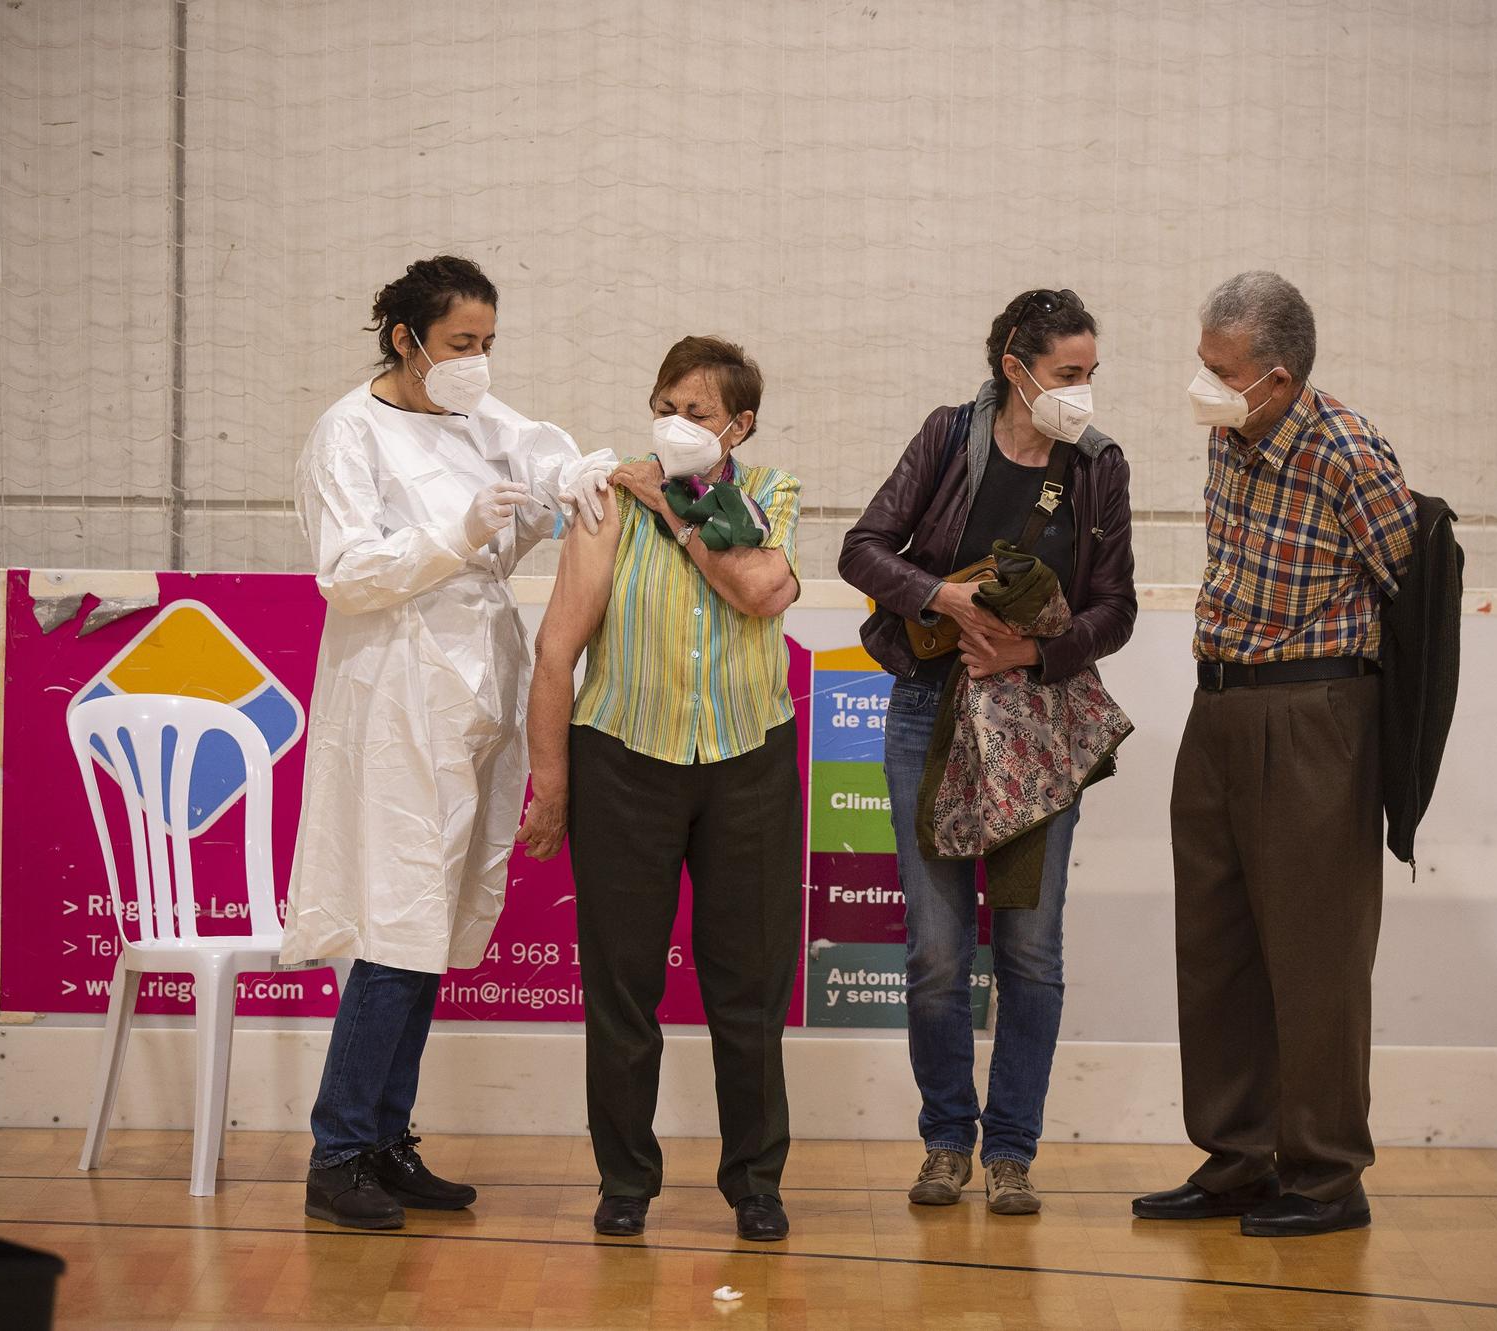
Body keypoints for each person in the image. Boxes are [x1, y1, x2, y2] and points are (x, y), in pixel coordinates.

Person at [280, 255, 614, 1231]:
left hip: (474, 691)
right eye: (461, 343)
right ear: (405, 337)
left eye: (487, 344)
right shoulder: (347, 431)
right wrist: (461, 531)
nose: (476, 362)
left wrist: (570, 489)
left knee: (427, 930)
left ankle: (385, 1137)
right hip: (394, 698)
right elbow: (346, 572)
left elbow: (546, 457)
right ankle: (336, 1149)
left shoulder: (472, 416)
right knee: (394, 924)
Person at [1131, 270, 1417, 1238]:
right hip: (1218, 706)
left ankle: (1325, 1172)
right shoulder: (1230, 436)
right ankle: (1235, 1157)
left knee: (1314, 957)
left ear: (1278, 376)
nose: (1202, 385)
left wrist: (1379, 747)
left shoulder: (1345, 451)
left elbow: (1411, 591)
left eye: (1220, 370)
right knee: (1214, 949)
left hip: (1311, 715)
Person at [838, 289, 1137, 1216]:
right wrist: (943, 598)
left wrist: (1033, 651)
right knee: (935, 952)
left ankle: (1011, 1150)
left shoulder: (1100, 465)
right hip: (929, 709)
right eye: (1067, 375)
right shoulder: (947, 435)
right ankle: (944, 1142)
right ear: (1017, 367)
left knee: (1031, 951)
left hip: (1040, 721)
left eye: (1091, 374)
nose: (1082, 392)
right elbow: (862, 549)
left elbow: (1116, 606)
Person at [515, 336, 803, 1243]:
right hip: (623, 760)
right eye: (667, 404)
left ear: (741, 426)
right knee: (622, 984)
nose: (676, 424)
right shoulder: (606, 501)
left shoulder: (773, 495)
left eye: (699, 412)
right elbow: (557, 649)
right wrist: (552, 785)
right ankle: (625, 1178)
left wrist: (677, 506)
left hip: (748, 762)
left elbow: (759, 588)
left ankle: (755, 1181)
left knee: (748, 987)